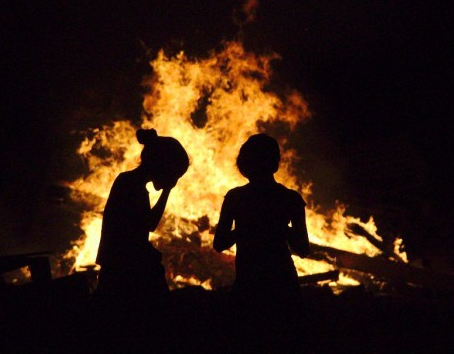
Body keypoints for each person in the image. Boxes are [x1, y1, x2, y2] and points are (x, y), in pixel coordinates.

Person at [93, 128, 189, 351]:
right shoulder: (132, 186)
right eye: (173, 174)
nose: (171, 180)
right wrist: (167, 192)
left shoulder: (129, 183)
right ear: (162, 165)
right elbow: (149, 225)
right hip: (126, 269)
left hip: (119, 265)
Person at [213, 133, 310, 353]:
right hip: (282, 285)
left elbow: (219, 244)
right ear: (275, 163)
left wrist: (244, 230)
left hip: (249, 284)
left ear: (244, 165)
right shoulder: (290, 198)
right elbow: (303, 249)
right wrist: (280, 229)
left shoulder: (235, 198)